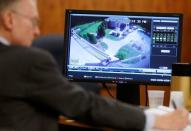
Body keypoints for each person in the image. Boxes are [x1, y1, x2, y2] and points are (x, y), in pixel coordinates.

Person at [0, 0, 189, 131]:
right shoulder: (28, 60)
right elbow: (82, 104)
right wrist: (156, 120)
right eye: (33, 21)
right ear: (9, 19)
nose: (37, 31)